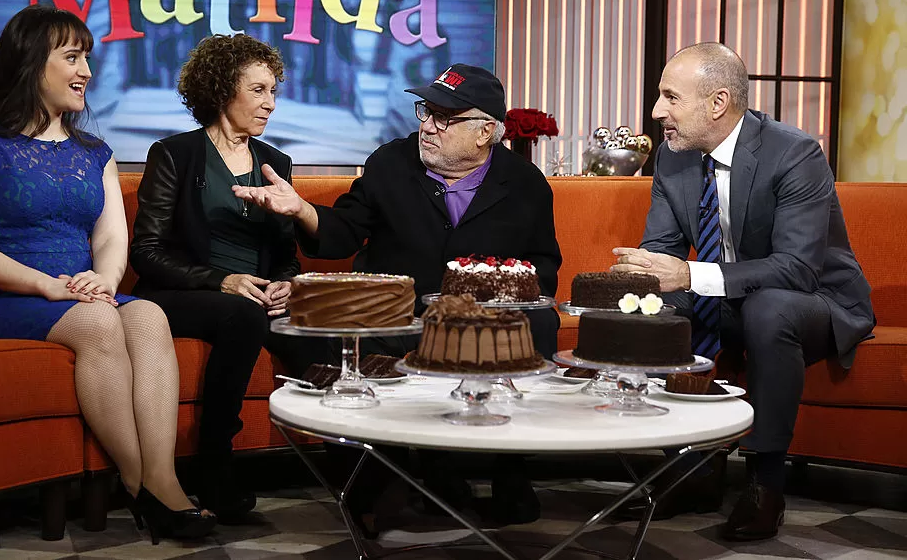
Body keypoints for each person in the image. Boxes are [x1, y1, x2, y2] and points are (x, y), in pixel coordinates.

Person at [234, 63, 562, 526]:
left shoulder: (526, 184)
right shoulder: (391, 161)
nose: (427, 126)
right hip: (395, 322)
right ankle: (385, 482)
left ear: (486, 131)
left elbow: (542, 268)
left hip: (482, 325)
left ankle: (510, 476)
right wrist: (304, 210)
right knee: (301, 332)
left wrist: (491, 302)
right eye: (426, 111)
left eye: (445, 118)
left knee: (540, 322)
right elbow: (343, 233)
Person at [0, 4, 216, 543]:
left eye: (87, 58)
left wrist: (107, 280)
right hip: (5, 296)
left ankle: (162, 477)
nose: (86, 72)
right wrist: (49, 285)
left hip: (83, 291)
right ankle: (140, 483)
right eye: (72, 57)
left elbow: (113, 237)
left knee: (147, 318)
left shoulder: (95, 153)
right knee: (97, 325)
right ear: (31, 64)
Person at [610, 42, 875, 540]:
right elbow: (662, 250)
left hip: (814, 301)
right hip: (735, 298)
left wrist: (690, 276)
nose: (656, 111)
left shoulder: (794, 152)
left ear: (718, 103)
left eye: (670, 97)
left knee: (769, 309)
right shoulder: (674, 156)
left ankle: (765, 485)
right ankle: (691, 468)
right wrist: (644, 274)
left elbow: (796, 270)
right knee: (658, 306)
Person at [130, 33, 324, 520]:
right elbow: (146, 253)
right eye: (258, 90)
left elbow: (283, 253)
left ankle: (364, 471)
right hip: (179, 292)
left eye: (274, 91)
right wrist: (222, 279)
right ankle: (214, 461)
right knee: (242, 315)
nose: (271, 105)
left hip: (253, 297)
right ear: (221, 91)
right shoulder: (174, 154)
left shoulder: (275, 163)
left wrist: (284, 282)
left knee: (313, 329)